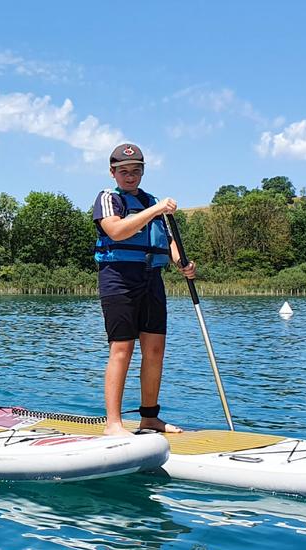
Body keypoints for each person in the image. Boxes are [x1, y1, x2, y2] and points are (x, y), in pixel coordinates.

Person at [92, 143, 196, 437]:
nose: (130, 176)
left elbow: (168, 241)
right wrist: (156, 208)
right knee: (122, 349)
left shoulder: (151, 201)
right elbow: (117, 231)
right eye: (124, 171)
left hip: (151, 278)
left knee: (155, 349)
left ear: (142, 172)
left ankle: (150, 418)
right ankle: (113, 424)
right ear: (113, 172)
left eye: (136, 171)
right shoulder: (108, 199)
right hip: (118, 278)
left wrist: (182, 263)